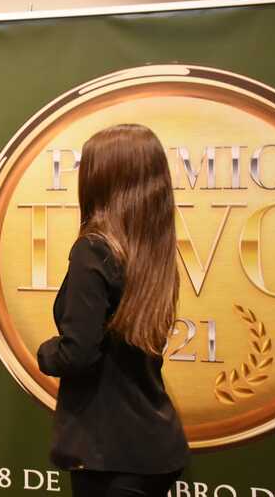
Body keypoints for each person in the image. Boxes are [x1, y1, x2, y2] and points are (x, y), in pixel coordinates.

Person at [36, 124, 189, 497]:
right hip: (156, 449)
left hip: (109, 455)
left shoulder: (94, 249)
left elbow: (78, 353)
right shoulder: (155, 254)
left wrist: (45, 352)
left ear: (101, 180)